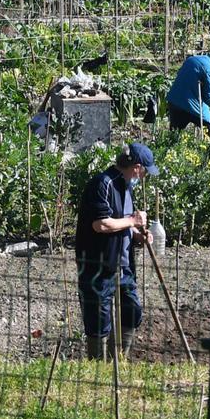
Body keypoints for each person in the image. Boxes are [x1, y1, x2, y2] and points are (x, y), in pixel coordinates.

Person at [74, 142, 155, 359]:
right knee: (98, 320)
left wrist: (139, 236)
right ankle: (97, 366)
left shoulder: (127, 186)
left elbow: (122, 225)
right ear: (137, 167)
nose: (146, 175)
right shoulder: (102, 184)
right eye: (146, 170)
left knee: (132, 311)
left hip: (123, 265)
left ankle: (117, 360)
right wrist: (133, 220)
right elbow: (100, 225)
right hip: (98, 265)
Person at [166, 48, 210, 137]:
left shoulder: (191, 59)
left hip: (175, 101)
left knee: (175, 133)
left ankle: (169, 148)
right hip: (191, 105)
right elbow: (208, 92)